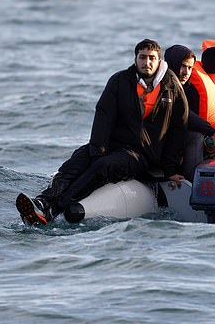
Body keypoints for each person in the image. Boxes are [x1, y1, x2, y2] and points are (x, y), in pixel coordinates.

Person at [16, 39, 188, 225]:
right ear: (135, 59)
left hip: (143, 154)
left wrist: (170, 169)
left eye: (152, 58)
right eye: (142, 57)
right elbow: (103, 117)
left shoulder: (171, 86)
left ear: (159, 60)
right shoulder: (120, 81)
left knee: (103, 166)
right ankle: (42, 201)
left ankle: (54, 209)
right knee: (78, 159)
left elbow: (180, 128)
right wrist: (97, 151)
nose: (147, 63)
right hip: (115, 144)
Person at [164, 45, 215, 179]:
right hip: (161, 146)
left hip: (179, 148)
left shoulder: (190, 91)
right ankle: (191, 181)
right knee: (196, 136)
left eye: (190, 68)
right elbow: (181, 112)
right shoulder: (162, 87)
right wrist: (211, 131)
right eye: (183, 66)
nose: (186, 72)